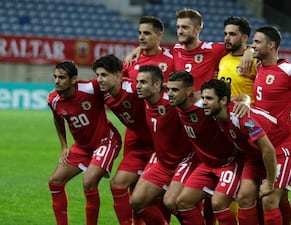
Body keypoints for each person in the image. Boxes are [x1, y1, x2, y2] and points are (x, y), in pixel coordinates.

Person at [201, 79, 290, 225]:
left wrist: (270, 181)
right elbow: (241, 97)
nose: (204, 102)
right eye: (203, 98)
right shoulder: (215, 110)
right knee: (244, 197)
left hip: (282, 149)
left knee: (269, 199)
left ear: (223, 100)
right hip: (254, 155)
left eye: (209, 98)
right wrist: (246, 100)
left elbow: (268, 149)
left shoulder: (241, 118)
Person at [167, 71, 246, 225]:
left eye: (174, 90)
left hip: (228, 163)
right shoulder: (176, 103)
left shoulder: (205, 104)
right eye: (168, 89)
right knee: (182, 202)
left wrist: (246, 103)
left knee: (218, 204)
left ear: (188, 91)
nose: (169, 94)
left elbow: (241, 99)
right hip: (207, 164)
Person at [47, 61, 122, 225]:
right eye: (55, 77)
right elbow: (58, 121)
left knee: (88, 182)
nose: (57, 81)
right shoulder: (53, 100)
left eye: (62, 77)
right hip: (82, 147)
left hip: (106, 141)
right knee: (55, 181)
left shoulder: (91, 88)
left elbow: (112, 81)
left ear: (74, 79)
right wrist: (64, 146)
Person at [129, 65, 196, 225]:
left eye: (143, 82)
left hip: (184, 160)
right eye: (137, 82)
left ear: (157, 85)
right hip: (163, 161)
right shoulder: (145, 100)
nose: (138, 86)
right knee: (137, 201)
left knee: (172, 203)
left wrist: (244, 100)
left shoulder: (173, 101)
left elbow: (198, 101)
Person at [92, 54, 155, 225]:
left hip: (159, 146)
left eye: (104, 75)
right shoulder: (104, 94)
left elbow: (158, 92)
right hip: (140, 145)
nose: (99, 79)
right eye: (98, 75)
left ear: (118, 76)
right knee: (118, 184)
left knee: (157, 197)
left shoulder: (135, 89)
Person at [251, 26, 291, 225]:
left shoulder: (289, 70)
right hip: (263, 146)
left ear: (271, 45)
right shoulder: (258, 67)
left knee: (269, 199)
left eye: (257, 42)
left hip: (285, 147)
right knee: (275, 199)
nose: (253, 46)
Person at [122, 16, 175, 83]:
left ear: (159, 35)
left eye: (146, 33)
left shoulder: (173, 58)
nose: (141, 37)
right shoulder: (130, 61)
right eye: (140, 33)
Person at [218, 16, 257, 102]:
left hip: (245, 113)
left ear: (244, 38)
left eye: (232, 34)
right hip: (226, 113)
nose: (226, 38)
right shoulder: (223, 60)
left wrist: (250, 50)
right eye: (225, 34)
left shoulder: (254, 61)